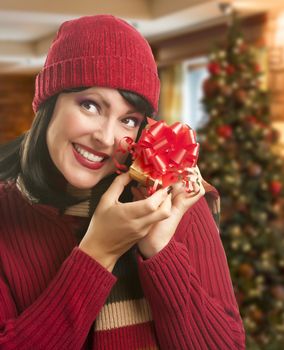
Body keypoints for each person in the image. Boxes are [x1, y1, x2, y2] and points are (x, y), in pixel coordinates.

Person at [0, 15, 245, 349]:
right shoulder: (6, 216)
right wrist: (98, 252)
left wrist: (160, 249)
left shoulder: (175, 203)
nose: (105, 137)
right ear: (49, 104)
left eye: (128, 119)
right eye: (89, 105)